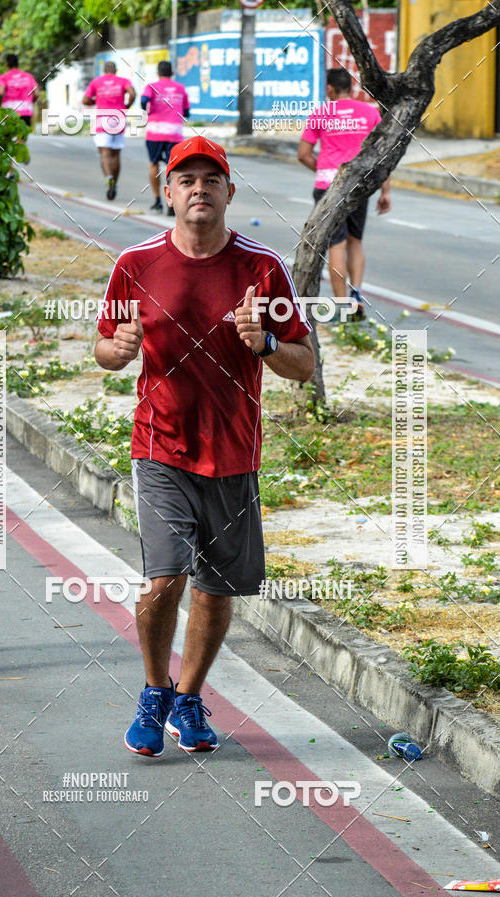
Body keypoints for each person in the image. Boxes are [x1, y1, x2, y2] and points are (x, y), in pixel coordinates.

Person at [95, 136, 315, 757]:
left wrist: (265, 344)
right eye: (185, 179)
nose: (198, 188)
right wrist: (122, 348)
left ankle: (187, 697)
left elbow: (304, 362)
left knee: (216, 591)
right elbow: (105, 349)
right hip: (160, 446)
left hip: (234, 453)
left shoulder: (261, 269)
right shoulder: (136, 264)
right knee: (163, 578)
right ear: (167, 192)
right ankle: (152, 690)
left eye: (210, 179)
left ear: (228, 192)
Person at [298, 67, 391, 320]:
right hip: (360, 184)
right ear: (351, 87)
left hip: (329, 184)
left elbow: (303, 154)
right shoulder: (370, 113)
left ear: (329, 88)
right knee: (355, 241)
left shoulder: (321, 113)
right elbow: (383, 154)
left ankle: (342, 308)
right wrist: (385, 191)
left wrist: (324, 170)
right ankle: (356, 294)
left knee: (335, 245)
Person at [141, 61, 190, 215]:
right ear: (172, 72)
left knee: (154, 164)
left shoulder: (151, 86)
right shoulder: (180, 88)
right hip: (174, 133)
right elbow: (187, 111)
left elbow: (143, 101)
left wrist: (148, 110)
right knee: (173, 169)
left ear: (158, 72)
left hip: (155, 132)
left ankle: (157, 201)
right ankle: (172, 205)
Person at [83, 61, 136, 201]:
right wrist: (127, 106)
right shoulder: (124, 81)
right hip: (118, 118)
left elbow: (85, 100)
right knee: (116, 154)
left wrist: (96, 101)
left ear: (104, 70)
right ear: (115, 70)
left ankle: (109, 178)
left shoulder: (96, 82)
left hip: (103, 119)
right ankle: (115, 183)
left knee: (105, 153)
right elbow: (132, 93)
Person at [0, 54, 39, 129]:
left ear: (7, 65)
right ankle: (20, 141)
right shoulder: (28, 76)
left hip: (9, 111)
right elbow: (37, 93)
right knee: (22, 136)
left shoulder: (3, 78)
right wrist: (31, 101)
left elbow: (0, 93)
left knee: (8, 135)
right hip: (26, 111)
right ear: (18, 64)